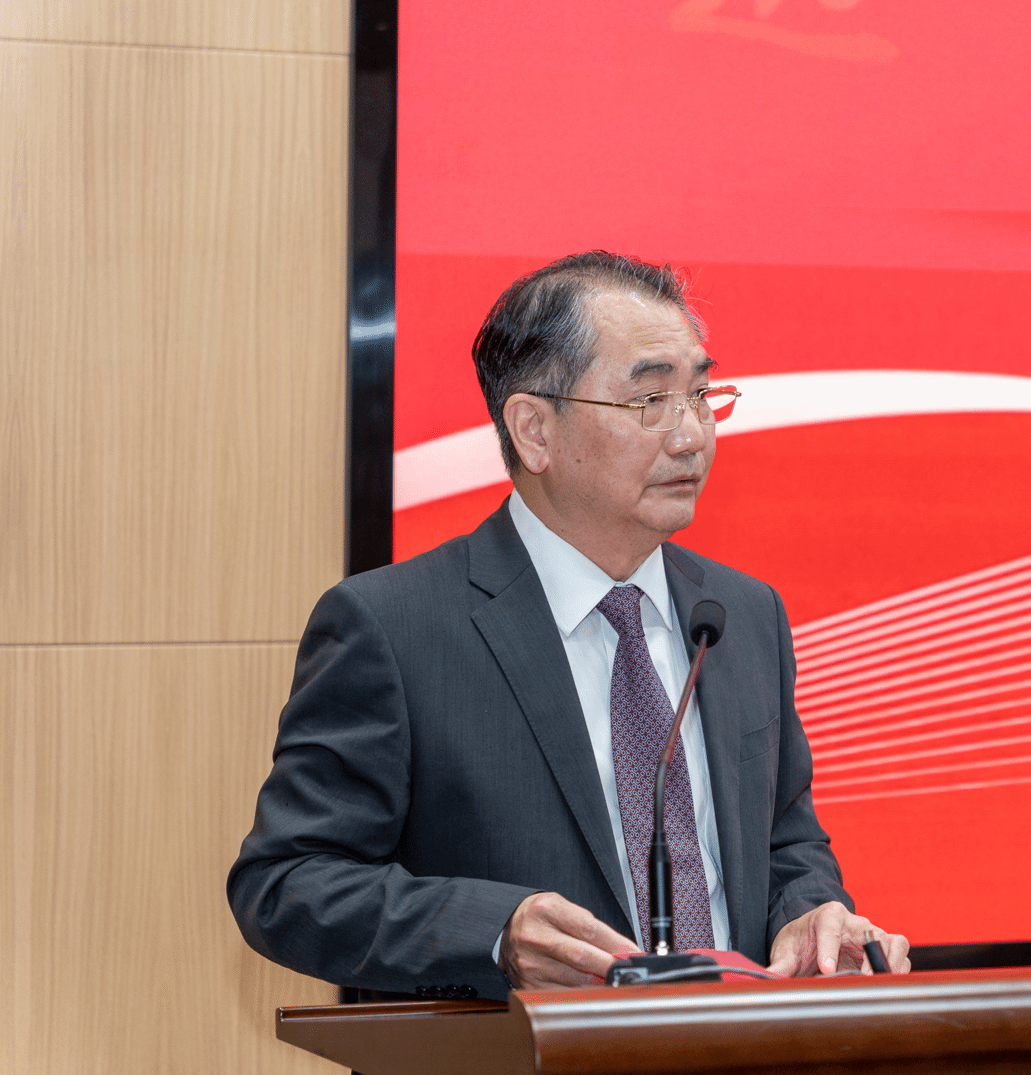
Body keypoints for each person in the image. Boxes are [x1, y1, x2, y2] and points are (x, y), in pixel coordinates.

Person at [228, 251, 909, 999]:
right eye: (650, 400)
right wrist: (495, 933)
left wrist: (810, 912)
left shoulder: (742, 616)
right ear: (534, 431)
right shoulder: (393, 627)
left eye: (700, 394)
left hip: (734, 1044)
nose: (691, 435)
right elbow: (287, 883)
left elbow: (785, 842)